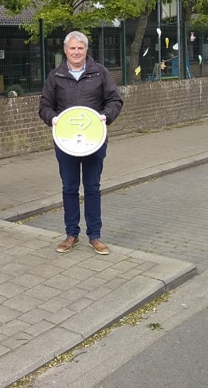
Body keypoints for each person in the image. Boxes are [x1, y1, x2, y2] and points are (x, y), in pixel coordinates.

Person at [38, 31, 123, 255]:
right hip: (66, 142)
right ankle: (71, 234)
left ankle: (95, 236)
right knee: (69, 187)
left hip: (94, 140)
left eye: (80, 48)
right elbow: (45, 105)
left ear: (86, 50)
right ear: (65, 51)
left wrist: (105, 116)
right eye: (72, 48)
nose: (76, 52)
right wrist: (53, 118)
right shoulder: (56, 76)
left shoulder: (99, 72)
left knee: (93, 187)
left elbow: (115, 100)